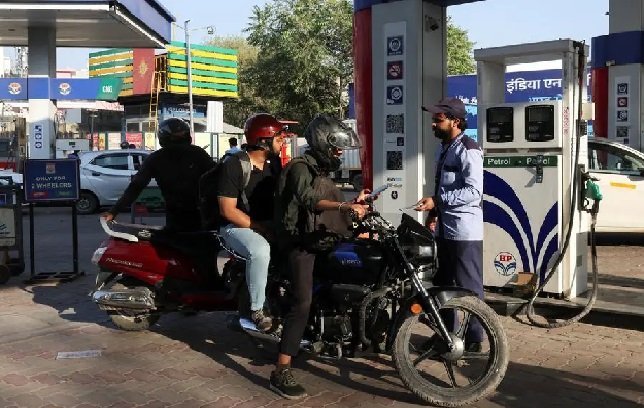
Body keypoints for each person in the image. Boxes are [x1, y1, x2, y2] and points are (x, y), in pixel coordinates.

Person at [270, 114, 369, 400]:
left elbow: (330, 206)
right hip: (299, 244)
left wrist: (355, 204)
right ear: (323, 143)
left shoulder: (321, 170)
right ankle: (281, 370)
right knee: (302, 303)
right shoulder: (300, 168)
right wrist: (344, 207)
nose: (339, 153)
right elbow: (308, 199)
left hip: (319, 239)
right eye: (336, 148)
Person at [414, 97, 484, 352]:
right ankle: (445, 335)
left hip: (464, 232)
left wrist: (437, 201)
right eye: (433, 119)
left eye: (438, 120)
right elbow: (442, 186)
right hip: (445, 229)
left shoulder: (468, 149)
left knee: (469, 288)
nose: (433, 124)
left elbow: (474, 192)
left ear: (455, 121)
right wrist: (435, 213)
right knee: (442, 285)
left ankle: (475, 339)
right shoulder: (444, 148)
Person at [216, 113, 285, 333]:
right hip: (235, 227)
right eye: (278, 138)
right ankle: (257, 310)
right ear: (263, 141)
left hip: (266, 224)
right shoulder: (234, 165)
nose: (282, 142)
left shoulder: (274, 163)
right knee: (260, 251)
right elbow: (227, 210)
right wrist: (261, 228)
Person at [103, 118, 214, 233]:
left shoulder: (156, 158)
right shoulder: (198, 153)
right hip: (202, 215)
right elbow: (216, 177)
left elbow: (135, 186)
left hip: (181, 216)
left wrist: (114, 211)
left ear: (162, 138)